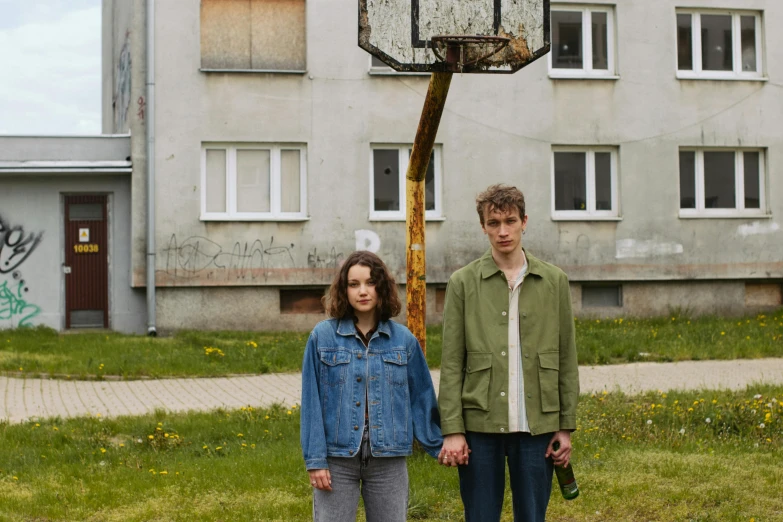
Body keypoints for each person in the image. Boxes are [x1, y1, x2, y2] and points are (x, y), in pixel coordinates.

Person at [437, 184, 579, 522]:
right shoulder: (464, 282)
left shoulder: (554, 281)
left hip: (538, 424)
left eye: (510, 221)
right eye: (494, 223)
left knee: (532, 516)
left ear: (524, 221)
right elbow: (452, 362)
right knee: (481, 515)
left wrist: (565, 426)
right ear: (483, 226)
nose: (503, 231)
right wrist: (453, 429)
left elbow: (566, 358)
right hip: (480, 423)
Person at [300, 250, 443, 522]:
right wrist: (315, 460)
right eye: (354, 284)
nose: (362, 291)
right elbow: (311, 402)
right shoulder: (323, 337)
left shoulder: (403, 340)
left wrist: (440, 446)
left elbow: (422, 398)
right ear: (344, 290)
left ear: (382, 287)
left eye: (370, 282)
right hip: (337, 458)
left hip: (388, 459)